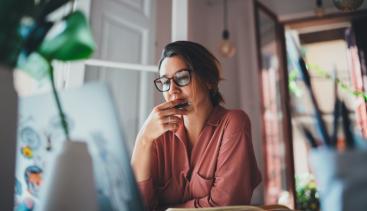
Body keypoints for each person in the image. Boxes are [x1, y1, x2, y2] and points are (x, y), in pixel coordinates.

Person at [131, 41, 261, 210]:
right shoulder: (157, 135)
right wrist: (143, 139)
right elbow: (138, 206)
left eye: (182, 77)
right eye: (165, 82)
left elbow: (224, 206)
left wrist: (167, 209)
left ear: (209, 80)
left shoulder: (233, 123)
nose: (172, 90)